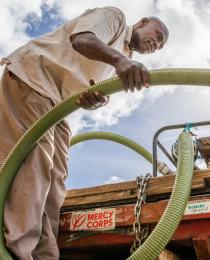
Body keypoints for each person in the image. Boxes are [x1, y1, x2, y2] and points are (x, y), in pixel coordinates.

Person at [0, 6, 169, 259]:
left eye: (160, 45)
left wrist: (94, 100)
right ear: (142, 22)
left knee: (56, 179)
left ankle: (44, 254)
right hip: (33, 79)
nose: (156, 44)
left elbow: (89, 90)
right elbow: (82, 40)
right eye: (157, 36)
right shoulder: (115, 19)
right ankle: (18, 252)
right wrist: (120, 61)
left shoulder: (119, 57)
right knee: (33, 167)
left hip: (56, 104)